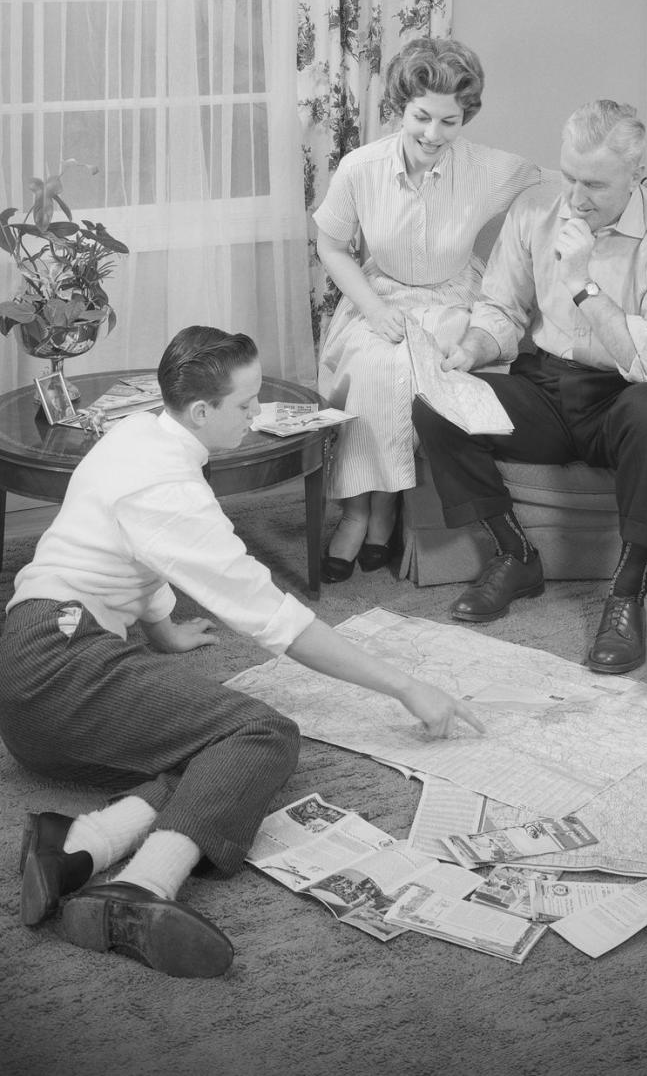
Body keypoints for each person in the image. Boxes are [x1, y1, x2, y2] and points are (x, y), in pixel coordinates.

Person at [1, 326, 483, 978]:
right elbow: (276, 621)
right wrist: (405, 686)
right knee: (261, 734)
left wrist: (165, 630)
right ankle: (139, 892)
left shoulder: (137, 433)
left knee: (201, 751)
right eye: (246, 404)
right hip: (58, 666)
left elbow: (133, 549)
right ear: (201, 411)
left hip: (32, 685)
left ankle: (75, 847)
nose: (256, 417)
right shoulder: (169, 490)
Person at [312, 38, 647, 581]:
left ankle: (387, 510)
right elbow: (330, 246)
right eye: (421, 117)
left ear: (467, 117)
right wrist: (370, 309)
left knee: (427, 377)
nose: (432, 135)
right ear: (399, 107)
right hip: (380, 296)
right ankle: (356, 511)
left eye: (450, 121)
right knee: (376, 365)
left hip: (453, 299)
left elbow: (578, 183)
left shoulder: (490, 168)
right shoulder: (359, 168)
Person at [411, 98, 647, 676]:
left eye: (594, 183)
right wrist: (470, 350)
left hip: (629, 394)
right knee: (437, 408)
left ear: (637, 176)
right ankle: (515, 554)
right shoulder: (536, 208)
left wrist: (582, 286)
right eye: (569, 175)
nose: (575, 196)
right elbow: (501, 306)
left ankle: (627, 593)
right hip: (546, 386)